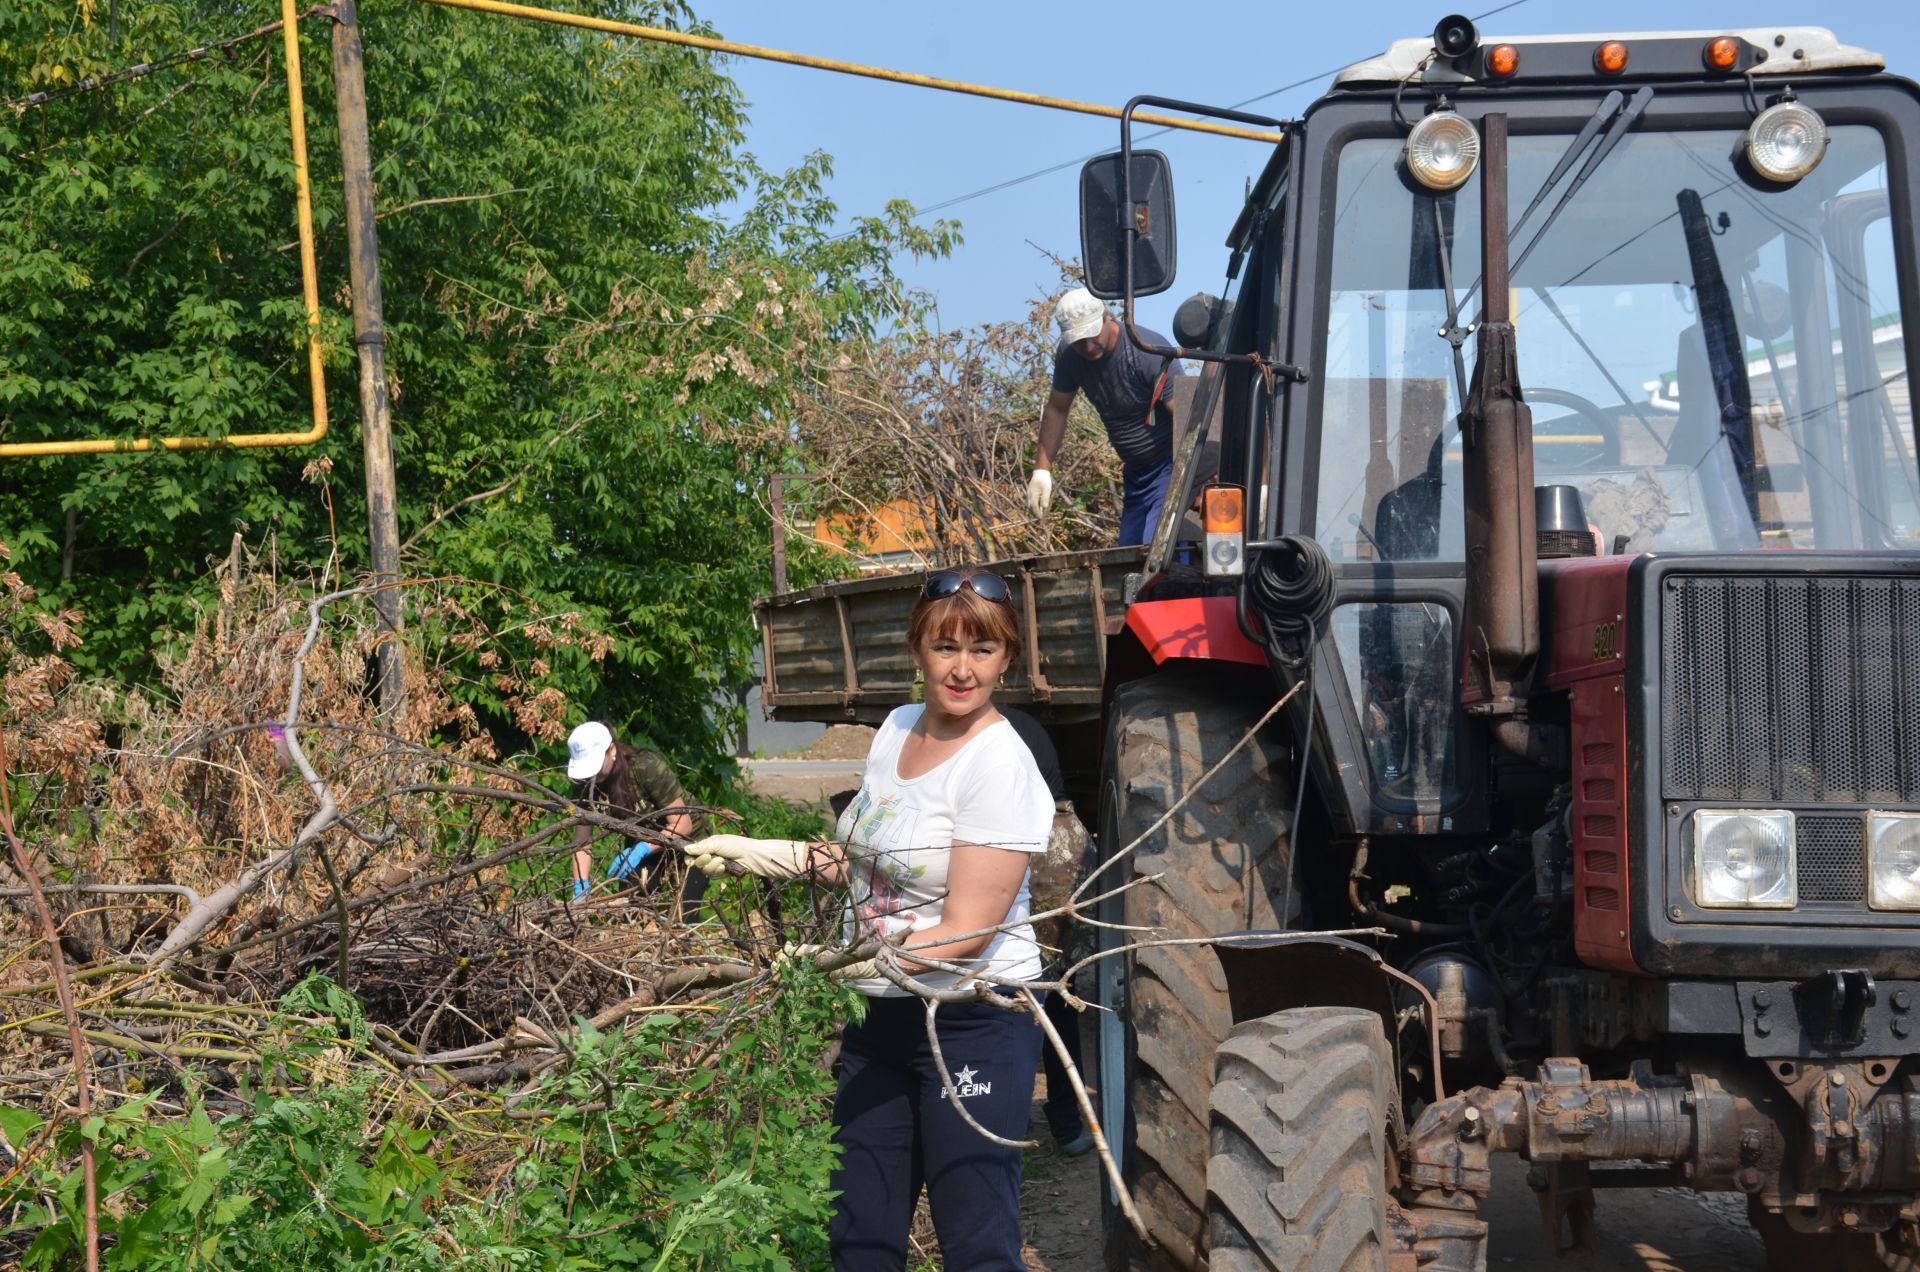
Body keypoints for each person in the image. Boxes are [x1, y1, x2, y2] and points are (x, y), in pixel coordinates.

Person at [686, 568, 1056, 1271]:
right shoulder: (896, 728)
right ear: (918, 649)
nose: (962, 668)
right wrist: (765, 856)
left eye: (983, 649)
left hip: (972, 1018)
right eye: (946, 647)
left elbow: (967, 931)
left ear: (1007, 657)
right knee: (858, 1239)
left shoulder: (1000, 765)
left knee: (977, 1246)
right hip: (880, 1017)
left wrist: (838, 962)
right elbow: (869, 858)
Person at [1029, 287, 1183, 546]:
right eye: (1079, 341)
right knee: (1128, 555)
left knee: (1157, 549)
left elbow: (1186, 413)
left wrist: (1197, 475)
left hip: (1171, 465)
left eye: (1092, 335)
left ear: (1106, 318)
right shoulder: (1069, 357)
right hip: (1136, 475)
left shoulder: (1146, 352)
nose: (1088, 347)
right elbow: (1057, 408)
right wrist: (1041, 470)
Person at [564, 721, 704, 916]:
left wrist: (643, 849)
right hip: (641, 838)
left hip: (689, 840)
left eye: (595, 765)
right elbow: (582, 842)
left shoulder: (644, 767)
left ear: (611, 749)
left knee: (683, 916)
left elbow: (682, 823)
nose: (592, 774)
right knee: (632, 909)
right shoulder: (585, 784)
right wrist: (581, 884)